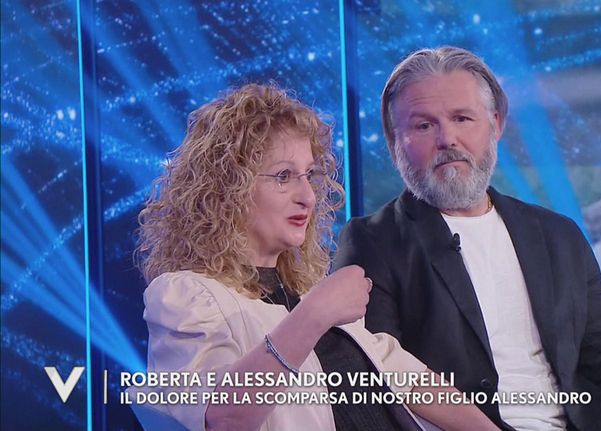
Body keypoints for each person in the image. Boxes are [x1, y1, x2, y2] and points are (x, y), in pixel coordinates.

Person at [334, 46, 601, 431]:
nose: (447, 138)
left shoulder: (557, 235)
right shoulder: (373, 242)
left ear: (495, 124)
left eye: (462, 118)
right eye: (424, 126)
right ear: (393, 141)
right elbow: (369, 380)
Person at [133, 83, 498, 430]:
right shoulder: (186, 295)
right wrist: (314, 315)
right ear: (228, 189)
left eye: (308, 175)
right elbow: (219, 419)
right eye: (283, 176)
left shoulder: (305, 293)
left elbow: (412, 381)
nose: (307, 196)